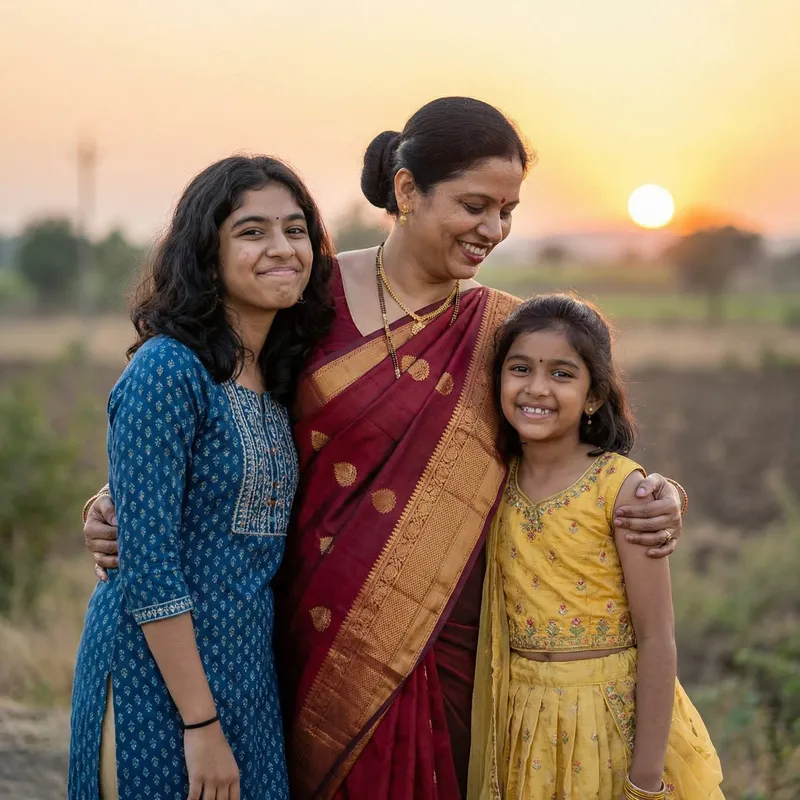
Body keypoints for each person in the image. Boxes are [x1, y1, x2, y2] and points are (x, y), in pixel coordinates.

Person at [83, 97, 687, 800]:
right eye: (474, 205)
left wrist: (661, 492)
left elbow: (568, 441)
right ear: (406, 191)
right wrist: (112, 497)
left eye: (507, 210)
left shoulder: (498, 331)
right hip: (296, 634)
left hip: (441, 640)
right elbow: (216, 410)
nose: (492, 229)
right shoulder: (305, 299)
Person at [69, 155, 335, 800]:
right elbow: (150, 566)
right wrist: (201, 722)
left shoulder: (274, 381)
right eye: (252, 231)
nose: (281, 248)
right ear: (205, 253)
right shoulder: (170, 370)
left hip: (243, 671)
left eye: (295, 230)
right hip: (156, 679)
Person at [468, 294, 723, 800]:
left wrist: (646, 779)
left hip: (610, 719)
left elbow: (657, 639)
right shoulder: (489, 482)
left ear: (593, 396)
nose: (536, 388)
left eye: (562, 373)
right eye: (520, 368)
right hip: (519, 721)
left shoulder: (622, 490)